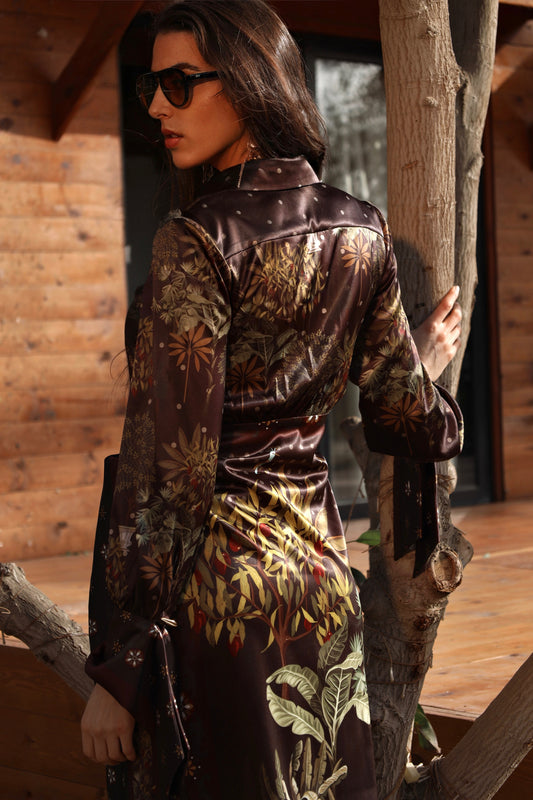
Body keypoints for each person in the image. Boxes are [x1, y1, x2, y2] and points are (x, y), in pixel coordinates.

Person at [81, 2, 463, 798]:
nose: (156, 108)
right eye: (150, 86)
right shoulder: (361, 230)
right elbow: (403, 414)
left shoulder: (197, 240)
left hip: (217, 599)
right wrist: (424, 373)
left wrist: (122, 662)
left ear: (251, 82)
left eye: (179, 84)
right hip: (316, 584)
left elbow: (172, 473)